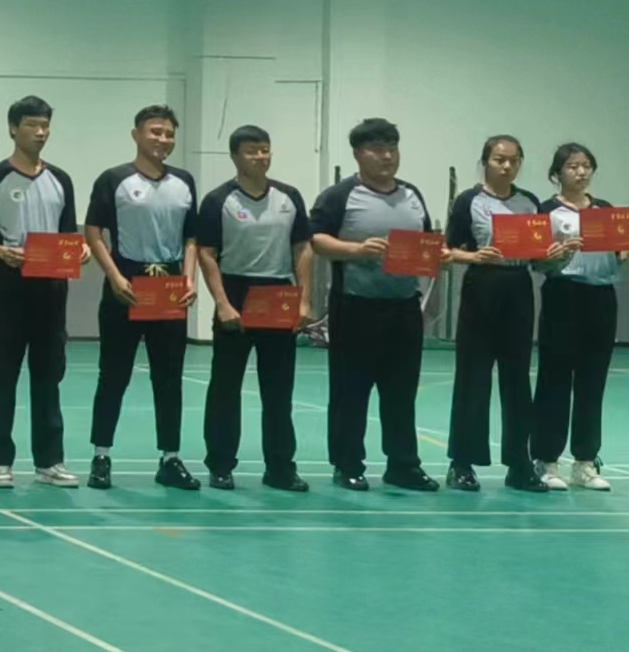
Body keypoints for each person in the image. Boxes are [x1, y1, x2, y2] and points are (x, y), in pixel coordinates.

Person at [310, 117, 441, 492]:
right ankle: (348, 464)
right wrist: (356, 250)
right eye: (377, 149)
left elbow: (427, 244)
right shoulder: (339, 196)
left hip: (403, 308)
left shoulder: (412, 194)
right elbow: (315, 239)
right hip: (355, 307)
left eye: (392, 148)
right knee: (350, 391)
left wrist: (439, 257)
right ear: (358, 154)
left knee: (401, 392)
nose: (387, 156)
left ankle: (403, 465)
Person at [84, 105, 202, 491]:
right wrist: (114, 276)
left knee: (169, 377)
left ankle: (170, 458)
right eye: (155, 132)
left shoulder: (184, 181)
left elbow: (191, 237)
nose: (162, 139)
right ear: (136, 135)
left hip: (169, 289)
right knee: (113, 374)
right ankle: (101, 456)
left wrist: (189, 279)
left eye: (169, 133)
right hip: (127, 287)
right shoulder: (113, 179)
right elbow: (93, 231)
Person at [0, 95, 81, 489]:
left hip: (52, 288)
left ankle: (49, 461)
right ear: (13, 128)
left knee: (49, 374)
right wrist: (2, 252)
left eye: (45, 125)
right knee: (0, 373)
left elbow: (69, 235)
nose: (40, 132)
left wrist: (80, 251)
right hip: (8, 285)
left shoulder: (61, 180)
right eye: (32, 125)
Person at [195, 125, 315, 492]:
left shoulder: (289, 196)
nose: (260, 157)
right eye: (251, 151)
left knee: (278, 392)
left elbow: (302, 248)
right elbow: (207, 253)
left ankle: (280, 468)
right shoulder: (218, 200)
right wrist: (222, 304)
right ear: (235, 156)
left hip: (278, 294)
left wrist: (304, 299)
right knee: (225, 388)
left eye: (265, 150)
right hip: (236, 293)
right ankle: (220, 465)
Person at [444, 136, 555, 492]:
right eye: (499, 159)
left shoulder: (530, 202)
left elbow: (539, 257)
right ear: (485, 162)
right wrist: (474, 256)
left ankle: (519, 464)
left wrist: (555, 254)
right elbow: (446, 251)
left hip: (519, 289)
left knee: (517, 379)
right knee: (473, 377)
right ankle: (462, 463)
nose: (506, 166)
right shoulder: (468, 201)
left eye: (513, 160)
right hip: (482, 287)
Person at [534, 143, 629, 492]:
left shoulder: (605, 211)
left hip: (600, 299)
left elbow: (618, 254)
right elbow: (536, 261)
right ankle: (546, 460)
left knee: (592, 381)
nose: (581, 172)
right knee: (554, 380)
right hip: (562, 296)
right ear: (557, 173)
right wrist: (557, 255)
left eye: (586, 166)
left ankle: (585, 462)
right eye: (573, 166)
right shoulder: (545, 210)